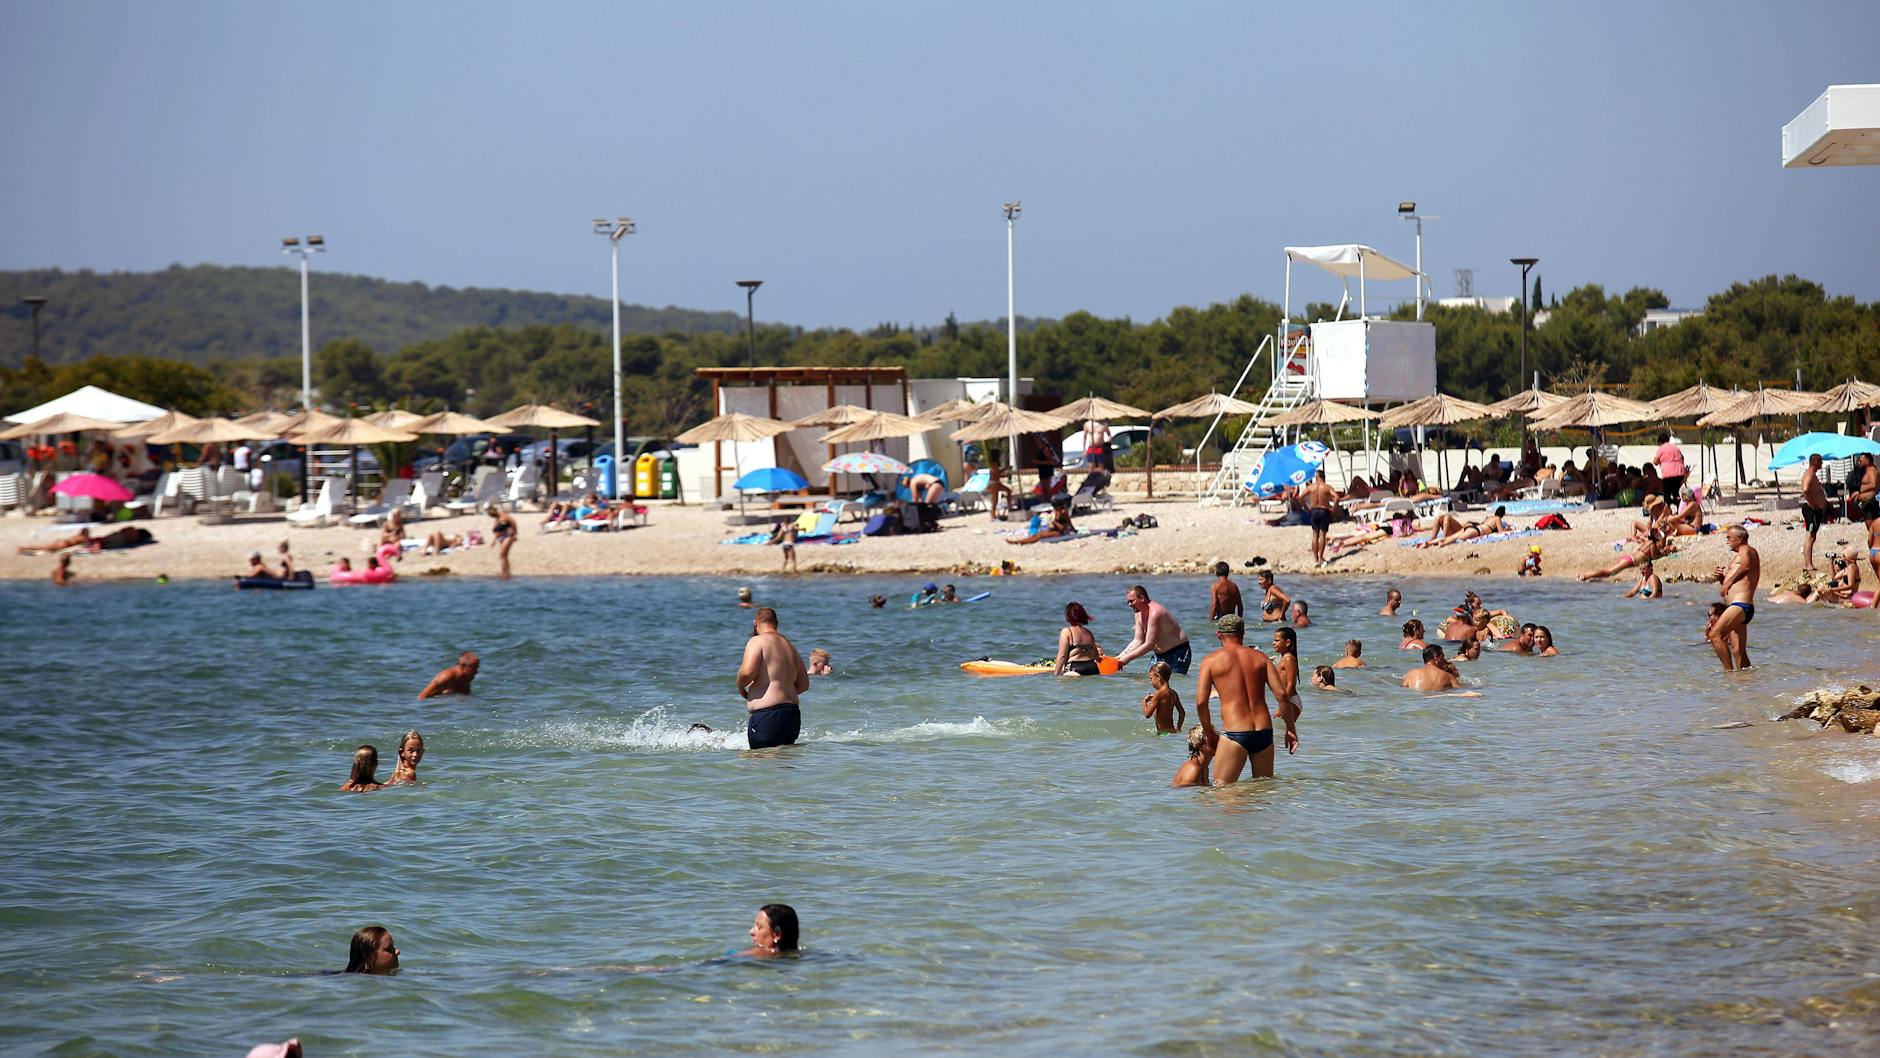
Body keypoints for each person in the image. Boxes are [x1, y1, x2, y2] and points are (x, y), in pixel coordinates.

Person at [1194, 615, 1290, 784]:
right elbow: (1282, 695)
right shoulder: (1261, 658)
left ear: (1219, 635)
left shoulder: (1210, 661)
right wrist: (1291, 729)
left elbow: (1201, 702)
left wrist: (1208, 731)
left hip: (1235, 732)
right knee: (1263, 791)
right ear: (1242, 634)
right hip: (1264, 733)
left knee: (1222, 793)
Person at [737, 607, 809, 749]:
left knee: (759, 766)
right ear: (776, 623)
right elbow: (804, 684)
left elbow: (747, 673)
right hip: (792, 716)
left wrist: (740, 686)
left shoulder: (757, 641)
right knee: (783, 764)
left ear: (755, 623)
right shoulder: (789, 646)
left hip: (768, 716)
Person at [1708, 524, 1760, 672]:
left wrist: (1728, 582)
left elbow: (1746, 567)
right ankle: (1747, 682)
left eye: (1729, 538)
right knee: (1738, 651)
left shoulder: (1746, 550)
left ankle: (1728, 673)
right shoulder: (1740, 555)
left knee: (1715, 635)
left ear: (1739, 538)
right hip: (1740, 607)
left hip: (1740, 605)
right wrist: (1722, 579)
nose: (1727, 541)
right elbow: (1738, 581)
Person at [1115, 584, 1191, 674]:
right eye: (1128, 602)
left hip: (1178, 652)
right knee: (1150, 682)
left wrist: (1126, 660)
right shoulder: (1138, 613)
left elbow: (1149, 644)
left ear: (1142, 598)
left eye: (1131, 601)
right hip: (1159, 655)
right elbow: (1138, 640)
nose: (1129, 604)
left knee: (1174, 682)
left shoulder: (1155, 612)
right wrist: (1118, 658)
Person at [1053, 601, 1104, 676]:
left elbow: (1062, 656)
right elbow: (1096, 656)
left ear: (1068, 616)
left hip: (1075, 668)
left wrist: (1056, 674)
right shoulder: (1089, 633)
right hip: (1092, 668)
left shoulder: (1067, 632)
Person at [1302, 469, 1337, 566]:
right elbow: (1336, 497)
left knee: (1315, 535)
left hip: (1313, 510)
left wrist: (1306, 508)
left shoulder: (1311, 488)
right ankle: (1321, 557)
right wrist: (1333, 509)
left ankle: (1315, 559)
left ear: (1316, 477)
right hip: (1323, 510)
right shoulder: (1327, 487)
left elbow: (1300, 497)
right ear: (1323, 477)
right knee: (1322, 535)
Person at [1269, 626, 1301, 734]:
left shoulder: (1288, 658)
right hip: (1287, 700)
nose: (1273, 643)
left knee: (1283, 736)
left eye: (1277, 640)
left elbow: (1291, 685)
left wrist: (1282, 705)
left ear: (1287, 642)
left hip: (1290, 700)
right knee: (1281, 736)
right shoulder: (1282, 658)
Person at [1141, 661, 1185, 733]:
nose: (1151, 682)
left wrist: (1144, 701)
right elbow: (1182, 713)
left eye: (1151, 678)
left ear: (1158, 677)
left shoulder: (1158, 694)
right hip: (1172, 731)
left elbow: (1147, 714)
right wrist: (1178, 728)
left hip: (1163, 733)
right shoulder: (1173, 693)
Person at [1008, 502, 1073, 545]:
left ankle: (1020, 542)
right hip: (1055, 529)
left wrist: (1054, 523)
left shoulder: (1063, 513)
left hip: (1059, 532)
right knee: (1037, 534)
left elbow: (1063, 527)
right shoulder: (1057, 512)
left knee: (1039, 535)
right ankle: (1020, 541)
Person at [1651, 431, 1687, 506]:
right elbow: (1682, 458)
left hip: (1668, 474)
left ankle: (1667, 510)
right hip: (1679, 473)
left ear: (1660, 442)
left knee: (1667, 493)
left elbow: (1655, 462)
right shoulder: (1676, 448)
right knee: (1676, 492)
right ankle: (1679, 509)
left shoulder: (1661, 448)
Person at [487, 503, 516, 579]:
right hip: (501, 537)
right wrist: (494, 541)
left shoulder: (504, 516)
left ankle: (505, 572)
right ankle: (505, 571)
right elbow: (497, 532)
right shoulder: (497, 519)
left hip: (508, 536)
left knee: (502, 554)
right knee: (504, 555)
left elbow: (513, 523)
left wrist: (515, 533)